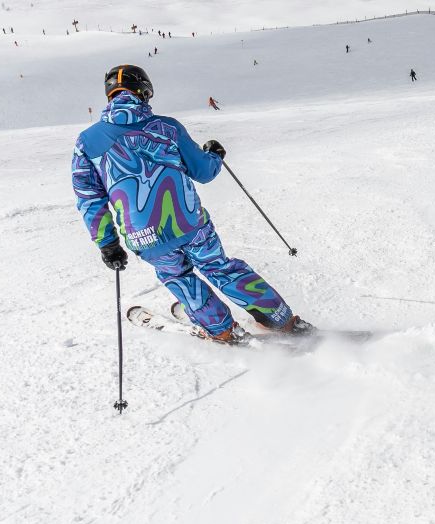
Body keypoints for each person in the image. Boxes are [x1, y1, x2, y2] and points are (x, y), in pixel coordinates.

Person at [71, 64, 310, 344]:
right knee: (220, 267)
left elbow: (89, 197)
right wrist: (215, 155)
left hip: (143, 236)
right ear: (144, 92)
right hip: (189, 223)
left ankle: (221, 329)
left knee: (179, 276)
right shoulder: (166, 127)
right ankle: (281, 320)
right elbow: (203, 172)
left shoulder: (86, 142)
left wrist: (107, 243)